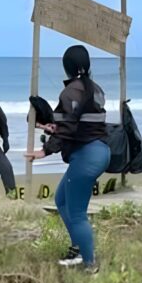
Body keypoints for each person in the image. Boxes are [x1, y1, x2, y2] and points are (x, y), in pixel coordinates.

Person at [26, 44, 110, 270]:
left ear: (67, 66)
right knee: (61, 200)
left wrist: (44, 151)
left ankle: (90, 264)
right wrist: (52, 126)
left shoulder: (71, 91)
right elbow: (81, 124)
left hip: (87, 155)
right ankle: (77, 248)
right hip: (99, 150)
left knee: (77, 212)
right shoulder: (97, 89)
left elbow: (69, 128)